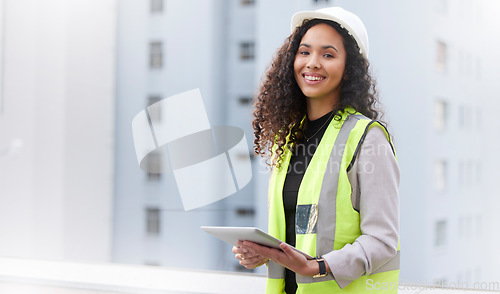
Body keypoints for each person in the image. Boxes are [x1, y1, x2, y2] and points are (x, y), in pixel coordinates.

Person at [232, 7, 400, 294]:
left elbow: (382, 240)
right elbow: (301, 231)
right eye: (304, 52)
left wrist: (318, 266)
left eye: (328, 54)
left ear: (350, 71)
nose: (312, 63)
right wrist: (264, 253)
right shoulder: (289, 140)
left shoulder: (367, 138)